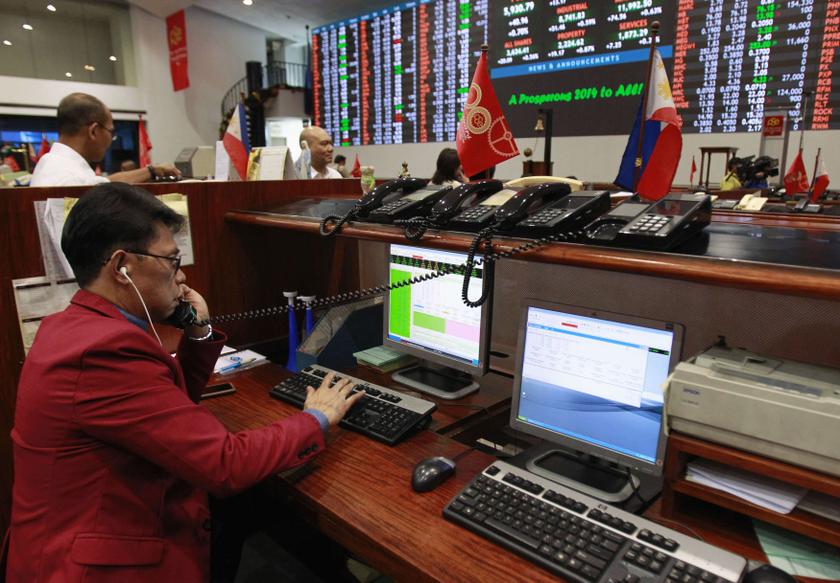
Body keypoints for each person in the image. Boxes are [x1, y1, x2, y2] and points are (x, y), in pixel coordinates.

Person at [7, 182, 363, 582]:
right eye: (172, 262)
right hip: (96, 566)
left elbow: (166, 413)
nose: (182, 276)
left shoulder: (71, 326)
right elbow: (224, 464)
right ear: (122, 266)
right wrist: (316, 417)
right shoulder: (103, 351)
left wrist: (198, 332)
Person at [30, 93, 181, 187]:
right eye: (110, 131)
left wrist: (151, 170)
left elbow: (107, 183)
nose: (111, 139)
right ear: (94, 131)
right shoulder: (72, 179)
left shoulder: (51, 164)